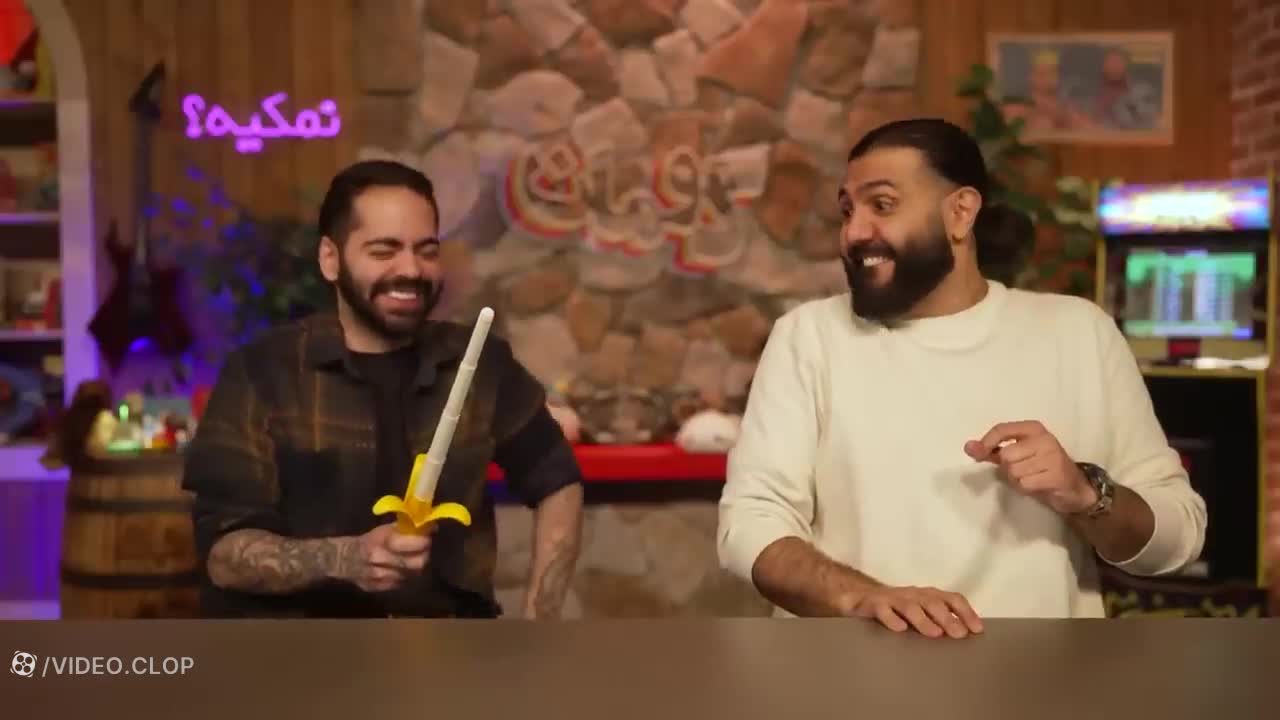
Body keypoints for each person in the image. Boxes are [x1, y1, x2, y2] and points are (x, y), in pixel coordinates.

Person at [717, 118, 1206, 638]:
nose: (855, 232)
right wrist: (864, 598)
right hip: (853, 675)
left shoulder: (1079, 333)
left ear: (960, 212)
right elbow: (750, 522)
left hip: (1041, 675)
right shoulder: (808, 337)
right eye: (847, 210)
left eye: (881, 204)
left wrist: (1086, 494)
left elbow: (1179, 537)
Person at [183, 160, 584, 619]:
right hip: (301, 651)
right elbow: (223, 557)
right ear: (330, 259)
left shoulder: (480, 364)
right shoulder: (262, 371)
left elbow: (558, 481)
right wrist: (345, 558)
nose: (411, 269)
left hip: (450, 647)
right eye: (383, 250)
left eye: (426, 250)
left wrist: (539, 620)